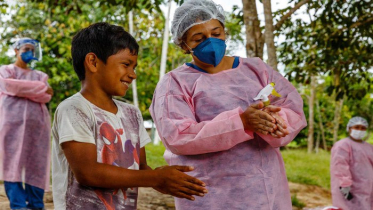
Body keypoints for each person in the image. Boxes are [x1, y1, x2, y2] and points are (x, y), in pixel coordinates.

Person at [149, 0, 307, 209]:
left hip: (265, 188)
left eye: (216, 33)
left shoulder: (257, 70)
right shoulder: (174, 83)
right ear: (183, 45)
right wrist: (242, 122)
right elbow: (177, 135)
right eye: (199, 38)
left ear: (225, 32)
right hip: (208, 193)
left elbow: (292, 107)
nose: (211, 41)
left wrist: (272, 121)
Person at [51, 22, 207, 210]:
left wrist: (165, 182)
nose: (133, 75)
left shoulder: (131, 113)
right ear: (93, 62)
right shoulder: (74, 109)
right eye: (126, 65)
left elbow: (140, 168)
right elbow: (87, 172)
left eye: (134, 67)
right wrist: (155, 178)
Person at [0, 38, 53, 210]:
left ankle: (36, 205)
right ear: (16, 50)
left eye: (32, 49)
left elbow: (47, 94)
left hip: (38, 128)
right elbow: (9, 85)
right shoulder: (5, 70)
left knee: (37, 166)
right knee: (11, 164)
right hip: (10, 126)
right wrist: (38, 88)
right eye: (26, 49)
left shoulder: (40, 75)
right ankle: (18, 206)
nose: (29, 52)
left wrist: (24, 89)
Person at [330, 116, 373, 210]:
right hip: (350, 190)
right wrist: (345, 184)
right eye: (356, 127)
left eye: (363, 128)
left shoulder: (369, 147)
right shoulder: (343, 145)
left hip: (367, 188)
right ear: (349, 128)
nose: (360, 130)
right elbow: (340, 165)